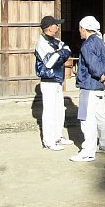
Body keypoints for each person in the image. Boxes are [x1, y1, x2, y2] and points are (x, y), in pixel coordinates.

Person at [71, 16, 105, 162]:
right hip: (99, 87)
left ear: (84, 28)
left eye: (80, 28)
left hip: (89, 85)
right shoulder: (101, 42)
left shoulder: (87, 45)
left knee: (87, 118)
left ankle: (88, 151)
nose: (79, 31)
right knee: (100, 116)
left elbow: (93, 65)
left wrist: (102, 77)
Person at [34, 15, 73, 151]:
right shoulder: (42, 43)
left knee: (59, 109)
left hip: (57, 79)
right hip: (48, 80)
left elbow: (66, 49)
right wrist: (61, 53)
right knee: (50, 111)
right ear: (49, 28)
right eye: (56, 24)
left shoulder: (54, 41)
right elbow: (50, 62)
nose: (58, 26)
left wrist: (60, 53)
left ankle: (57, 136)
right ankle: (49, 140)